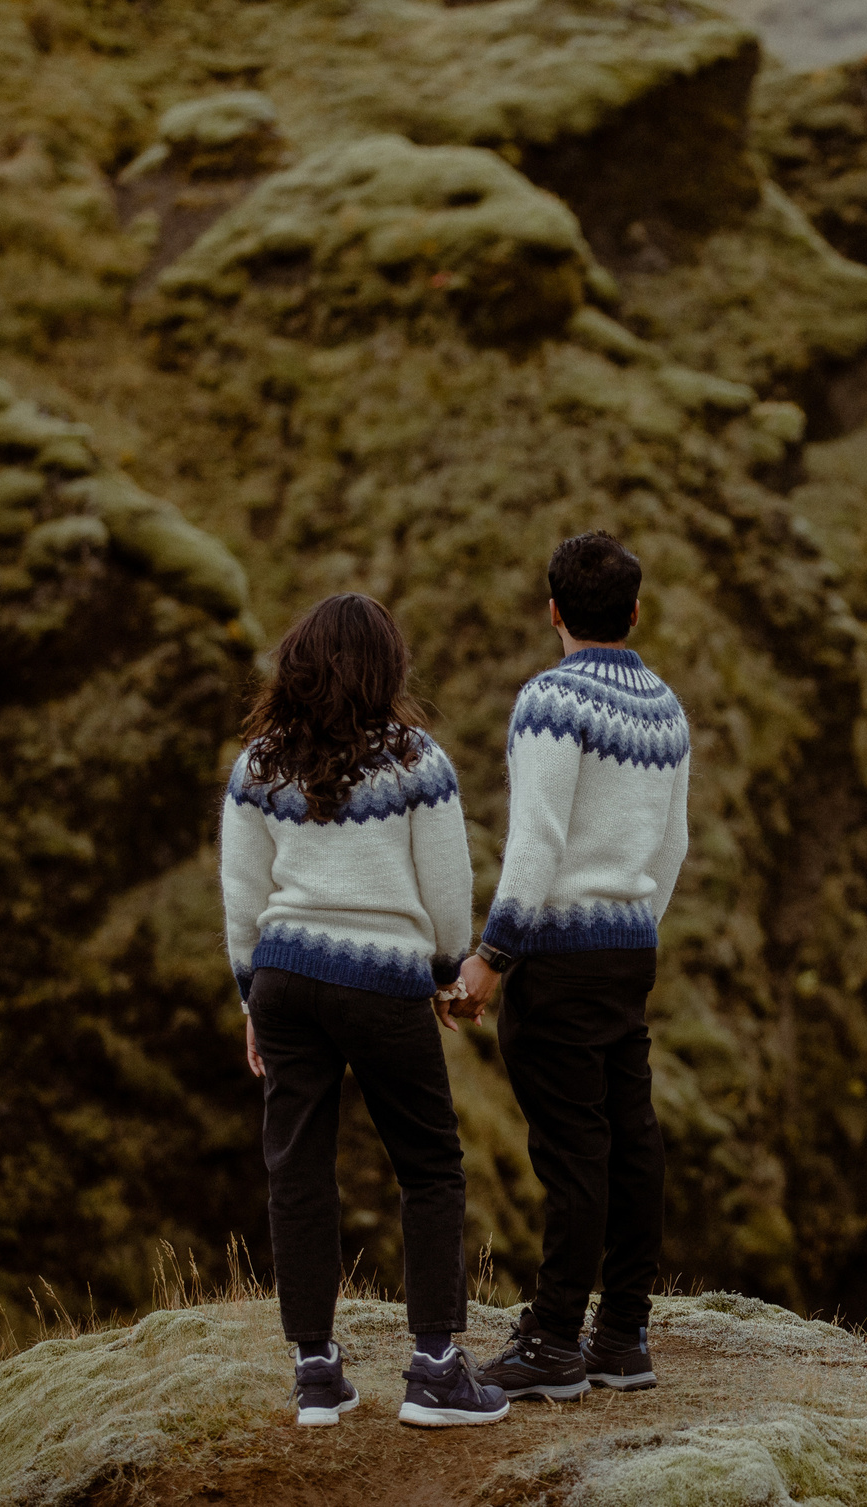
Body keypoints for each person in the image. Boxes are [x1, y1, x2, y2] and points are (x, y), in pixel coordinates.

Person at [222, 592, 510, 1431]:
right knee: (429, 1165)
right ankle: (435, 1370)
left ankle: (316, 1372)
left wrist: (250, 996)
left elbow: (242, 895)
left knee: (298, 1169)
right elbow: (448, 888)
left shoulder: (259, 764)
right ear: (387, 667)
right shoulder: (417, 760)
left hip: (284, 975)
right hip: (382, 980)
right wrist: (445, 972)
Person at [444, 531, 689, 1400]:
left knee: (574, 1149)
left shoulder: (550, 701)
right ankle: (622, 1335)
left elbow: (537, 842)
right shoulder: (666, 708)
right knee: (632, 1138)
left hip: (558, 956)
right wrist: (633, 927)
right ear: (634, 611)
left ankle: (552, 1340)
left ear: (553, 610)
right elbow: (673, 843)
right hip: (629, 947)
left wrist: (491, 956)